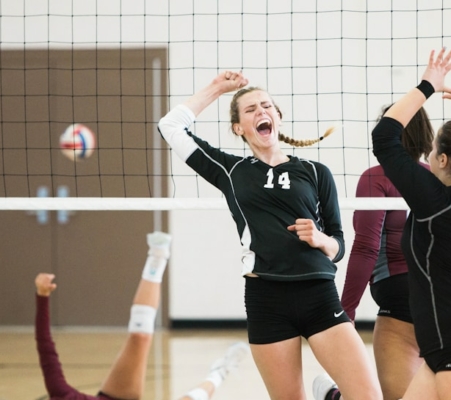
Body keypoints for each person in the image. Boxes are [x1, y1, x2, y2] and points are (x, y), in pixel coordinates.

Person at [158, 72, 382, 400]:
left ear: (277, 116)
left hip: (318, 294)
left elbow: (338, 245)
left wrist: (320, 239)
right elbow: (170, 126)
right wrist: (218, 89)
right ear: (239, 128)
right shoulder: (231, 171)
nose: (260, 111)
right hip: (266, 298)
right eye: (250, 110)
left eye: (266, 106)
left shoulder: (316, 172)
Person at [35, 231, 249, 400]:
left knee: (140, 338)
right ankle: (218, 373)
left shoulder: (60, 393)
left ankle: (157, 257)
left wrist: (42, 296)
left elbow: (45, 346)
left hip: (114, 396)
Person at [369, 47, 451, 400]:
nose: (427, 156)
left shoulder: (434, 203)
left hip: (446, 351)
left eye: (432, 150)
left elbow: (385, 136)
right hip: (438, 356)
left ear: (443, 160)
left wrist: (427, 85)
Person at [339, 105, 433, 399]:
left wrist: (344, 314)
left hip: (401, 298)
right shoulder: (438, 176)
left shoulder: (376, 178)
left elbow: (366, 247)